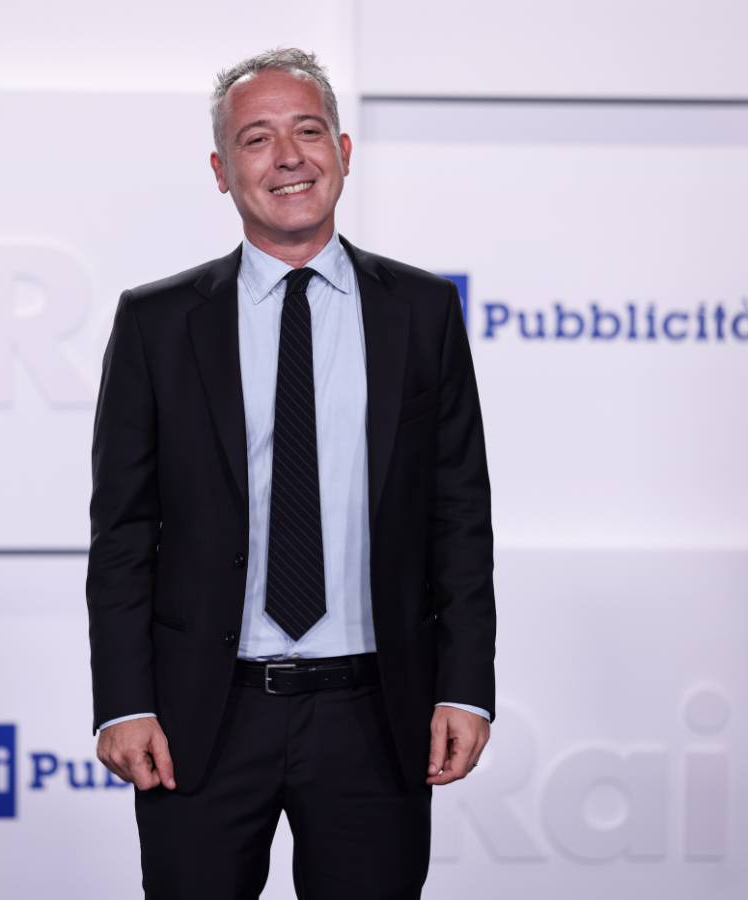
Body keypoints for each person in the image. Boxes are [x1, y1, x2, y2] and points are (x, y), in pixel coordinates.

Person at [86, 47, 496, 900]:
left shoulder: (422, 313)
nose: (288, 157)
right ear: (221, 170)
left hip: (375, 713)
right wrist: (124, 702)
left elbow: (458, 515)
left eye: (308, 131)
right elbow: (122, 533)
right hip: (201, 716)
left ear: (342, 151)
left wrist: (465, 689)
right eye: (257, 138)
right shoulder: (157, 323)